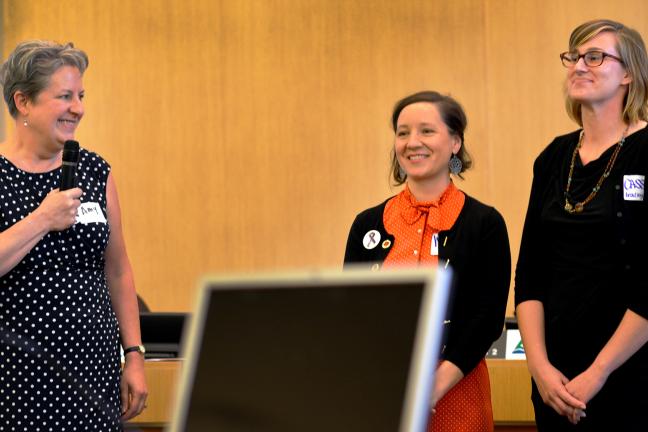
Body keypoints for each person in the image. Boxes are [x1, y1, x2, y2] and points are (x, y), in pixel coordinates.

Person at [0, 40, 147, 430]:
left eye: (80, 96)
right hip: (16, 377)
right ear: (23, 101)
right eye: (64, 96)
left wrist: (133, 354)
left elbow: (117, 270)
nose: (78, 108)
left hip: (93, 373)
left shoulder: (96, 170)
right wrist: (42, 219)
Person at [344, 91, 511, 432]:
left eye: (426, 131)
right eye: (403, 132)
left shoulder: (483, 223)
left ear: (455, 142)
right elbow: (353, 313)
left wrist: (432, 389)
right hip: (383, 398)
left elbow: (486, 319)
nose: (412, 142)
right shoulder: (367, 224)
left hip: (458, 395)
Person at [515, 19, 648, 431]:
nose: (578, 66)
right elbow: (530, 274)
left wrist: (599, 372)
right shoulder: (553, 157)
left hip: (629, 376)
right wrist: (538, 368)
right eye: (573, 57)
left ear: (628, 73)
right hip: (555, 380)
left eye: (594, 56)